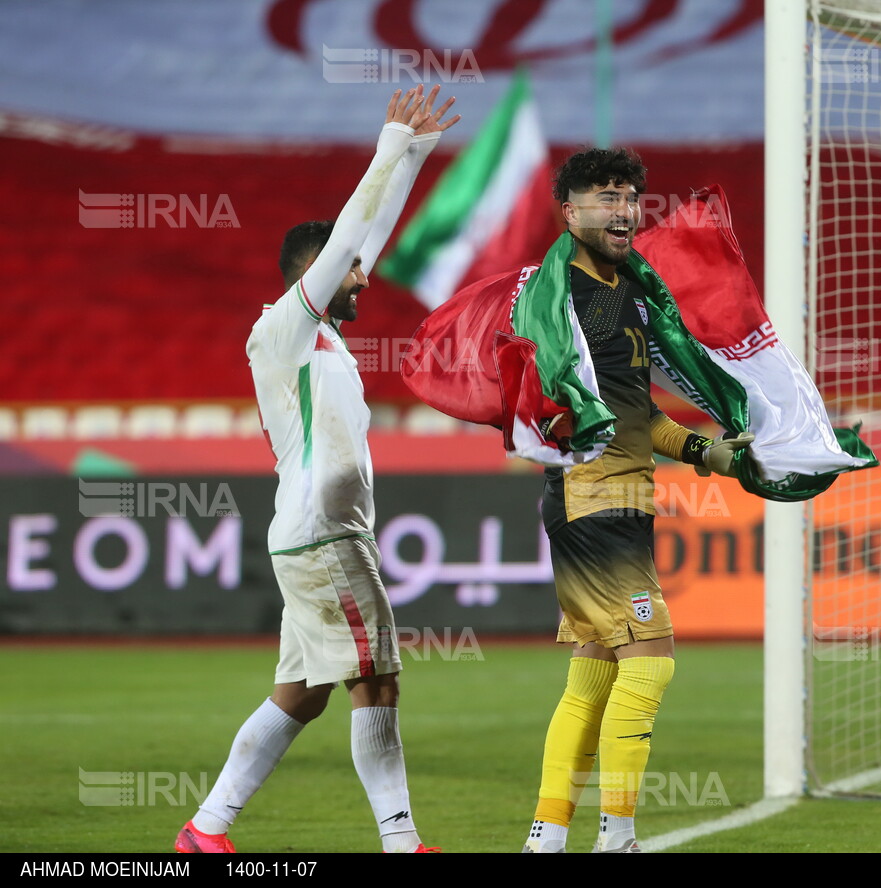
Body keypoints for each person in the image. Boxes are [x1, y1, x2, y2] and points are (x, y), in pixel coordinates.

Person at [174, 85, 460, 854]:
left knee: (300, 695)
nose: (364, 277)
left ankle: (206, 829)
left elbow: (362, 239)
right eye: (350, 270)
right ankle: (402, 842)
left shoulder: (322, 336)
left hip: (311, 534)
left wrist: (413, 157)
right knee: (379, 682)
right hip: (325, 536)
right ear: (314, 273)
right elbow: (345, 244)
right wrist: (385, 147)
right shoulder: (283, 330)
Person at [521, 149, 753, 853]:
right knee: (651, 659)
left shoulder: (626, 291)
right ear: (570, 212)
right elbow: (543, 392)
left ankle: (546, 837)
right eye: (605, 197)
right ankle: (617, 836)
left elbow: (635, 414)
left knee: (593, 673)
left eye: (629, 198)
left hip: (619, 499)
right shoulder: (555, 296)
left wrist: (704, 451)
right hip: (593, 497)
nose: (623, 210)